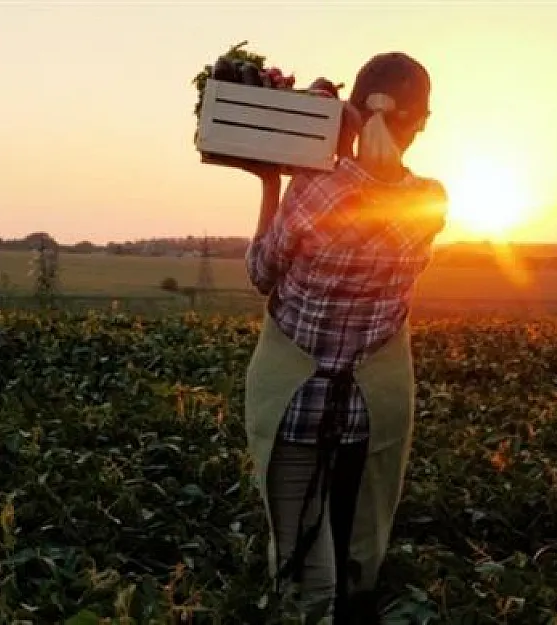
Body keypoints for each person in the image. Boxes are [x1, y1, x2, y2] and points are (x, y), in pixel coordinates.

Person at [236, 52, 448, 624]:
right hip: (367, 414)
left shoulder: (312, 191)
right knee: (357, 568)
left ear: (352, 109)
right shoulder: (430, 204)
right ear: (421, 122)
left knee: (306, 577)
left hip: (294, 409)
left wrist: (272, 181)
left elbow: (260, 273)